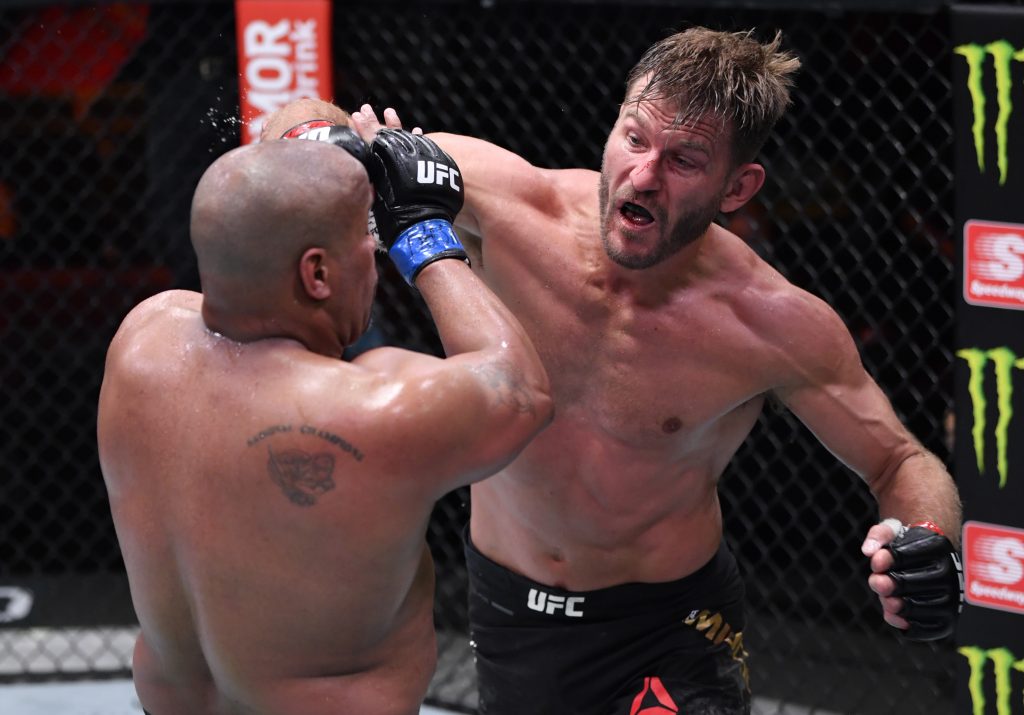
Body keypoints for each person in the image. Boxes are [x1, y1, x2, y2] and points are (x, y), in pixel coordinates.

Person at [349, 25, 964, 714]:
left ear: (738, 187)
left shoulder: (770, 322)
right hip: (508, 613)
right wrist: (350, 156)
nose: (644, 175)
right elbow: (308, 134)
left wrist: (926, 540)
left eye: (685, 160)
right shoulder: (508, 205)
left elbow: (900, 459)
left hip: (668, 631)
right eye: (635, 139)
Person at [97, 131, 552, 715]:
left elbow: (251, 216)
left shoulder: (142, 340)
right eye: (366, 238)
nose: (375, 252)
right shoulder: (373, 407)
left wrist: (317, 151)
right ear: (317, 275)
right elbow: (520, 388)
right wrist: (421, 232)